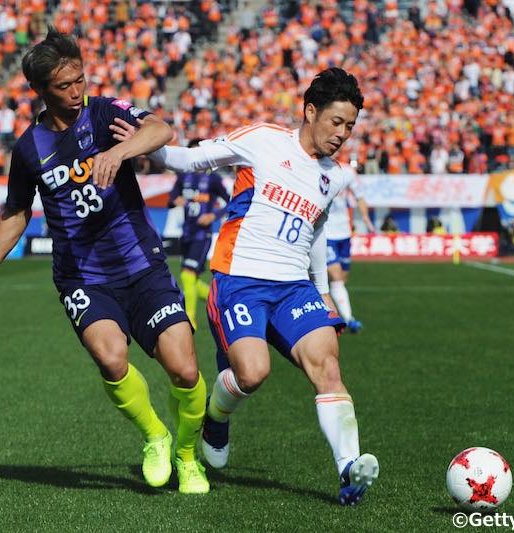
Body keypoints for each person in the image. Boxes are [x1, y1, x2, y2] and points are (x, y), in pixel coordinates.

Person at [0, 29, 210, 494]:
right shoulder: (29, 148)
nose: (76, 92)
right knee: (111, 359)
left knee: (185, 370)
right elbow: (16, 212)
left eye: (80, 80)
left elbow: (161, 129)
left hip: (141, 263)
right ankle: (156, 436)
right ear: (40, 89)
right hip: (83, 277)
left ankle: (188, 456)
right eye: (64, 85)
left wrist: (119, 150)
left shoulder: (104, 111)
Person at [112, 67, 379, 505]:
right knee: (252, 373)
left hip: (294, 287)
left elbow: (315, 232)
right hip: (240, 281)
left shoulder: (334, 176)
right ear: (310, 111)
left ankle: (349, 469)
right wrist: (144, 146)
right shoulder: (263, 140)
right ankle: (216, 419)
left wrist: (322, 289)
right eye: (336, 122)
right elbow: (192, 159)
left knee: (328, 367)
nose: (342, 134)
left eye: (350, 126)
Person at [166, 139, 230, 330]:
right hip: (186, 233)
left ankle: (190, 319)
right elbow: (172, 197)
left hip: (202, 235)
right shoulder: (183, 176)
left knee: (187, 276)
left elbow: (230, 202)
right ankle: (220, 301)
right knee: (192, 280)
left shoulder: (213, 179)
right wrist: (175, 200)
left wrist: (213, 215)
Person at [324, 174, 375, 334]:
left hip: (344, 233)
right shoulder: (317, 168)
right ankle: (348, 319)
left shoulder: (347, 173)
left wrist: (366, 218)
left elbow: (360, 197)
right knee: (337, 277)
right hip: (326, 234)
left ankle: (331, 309)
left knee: (342, 279)